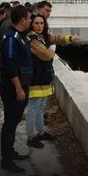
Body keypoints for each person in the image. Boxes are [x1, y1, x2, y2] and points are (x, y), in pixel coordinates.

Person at [0, 5, 33, 173]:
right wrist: (19, 88)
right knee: (10, 123)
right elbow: (10, 64)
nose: (32, 20)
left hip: (20, 85)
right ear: (23, 20)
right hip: (12, 88)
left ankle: (11, 153)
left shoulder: (19, 36)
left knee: (13, 121)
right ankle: (6, 160)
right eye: (30, 17)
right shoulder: (11, 38)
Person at [25, 14, 58, 149]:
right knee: (33, 109)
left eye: (41, 23)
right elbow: (45, 55)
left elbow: (56, 38)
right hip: (36, 79)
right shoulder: (32, 38)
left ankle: (41, 132)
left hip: (43, 78)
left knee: (41, 107)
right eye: (36, 23)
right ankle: (31, 136)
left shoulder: (42, 37)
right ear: (31, 24)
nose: (39, 26)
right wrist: (52, 50)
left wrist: (69, 38)